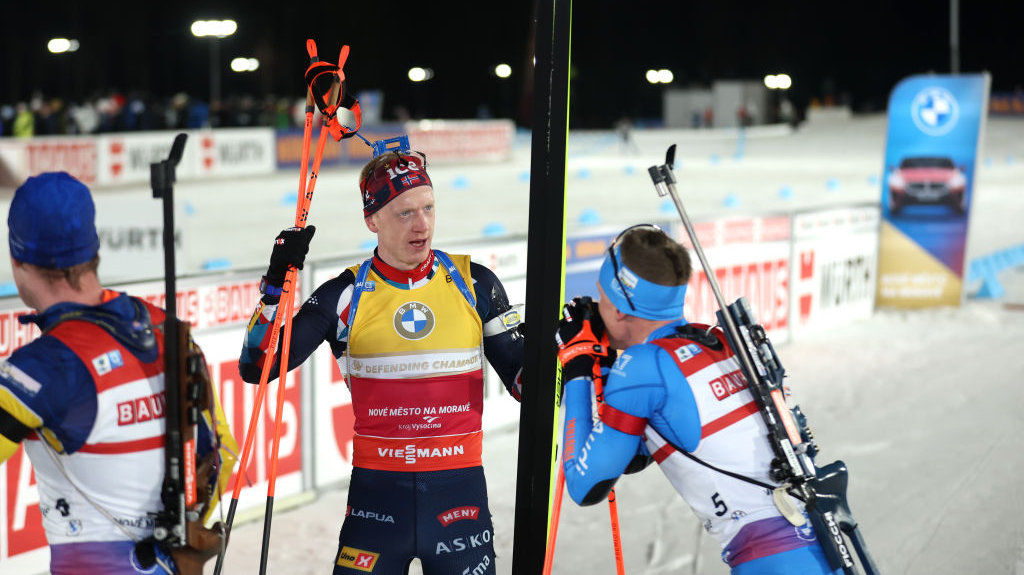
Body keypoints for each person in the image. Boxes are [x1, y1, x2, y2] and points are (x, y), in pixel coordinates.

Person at [239, 147, 524, 574]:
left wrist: (557, 353)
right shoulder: (344, 295)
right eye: (405, 213)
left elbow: (526, 385)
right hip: (376, 506)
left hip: (459, 499)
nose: (422, 224)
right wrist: (274, 287)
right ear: (372, 221)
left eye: (428, 207)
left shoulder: (474, 282)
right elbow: (256, 367)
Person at [556, 224, 842, 574]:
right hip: (821, 542)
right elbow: (630, 455)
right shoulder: (717, 339)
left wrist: (578, 366)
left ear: (618, 309)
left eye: (602, 297)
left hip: (771, 558)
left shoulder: (645, 366)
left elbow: (585, 485)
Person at [0, 172, 236, 574]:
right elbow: (221, 454)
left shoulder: (43, 365)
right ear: (93, 250)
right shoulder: (167, 329)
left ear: (17, 259)